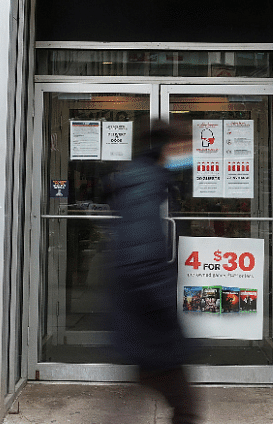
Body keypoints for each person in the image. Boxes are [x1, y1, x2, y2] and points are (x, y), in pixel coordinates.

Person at [105, 120, 201, 424]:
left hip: (138, 322)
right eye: (185, 147)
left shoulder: (145, 180)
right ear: (167, 148)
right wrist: (170, 315)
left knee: (134, 405)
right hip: (150, 325)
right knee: (184, 408)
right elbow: (141, 260)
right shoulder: (146, 185)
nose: (191, 154)